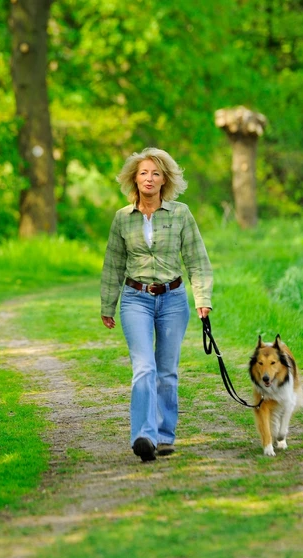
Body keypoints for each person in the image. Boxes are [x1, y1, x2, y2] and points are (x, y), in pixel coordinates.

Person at [100, 147, 213, 462]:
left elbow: (197, 260)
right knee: (144, 368)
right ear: (134, 179)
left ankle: (165, 437)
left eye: (156, 173)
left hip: (173, 299)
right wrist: (108, 304)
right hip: (135, 298)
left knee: (166, 371)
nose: (149, 178)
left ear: (165, 180)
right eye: (143, 173)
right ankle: (144, 435)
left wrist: (203, 298)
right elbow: (113, 264)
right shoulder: (122, 218)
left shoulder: (180, 214)